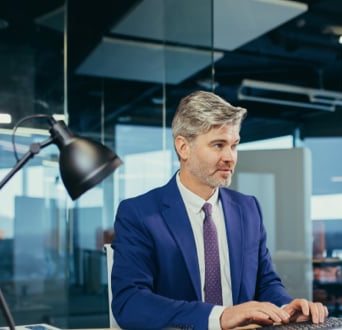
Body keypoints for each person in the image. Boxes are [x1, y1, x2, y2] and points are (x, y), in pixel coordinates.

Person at [111, 91, 328, 329]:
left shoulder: (248, 209)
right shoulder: (140, 213)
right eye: (218, 145)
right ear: (183, 148)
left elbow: (265, 283)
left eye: (234, 145)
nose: (230, 157)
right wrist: (219, 317)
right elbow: (129, 303)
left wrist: (286, 310)